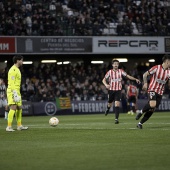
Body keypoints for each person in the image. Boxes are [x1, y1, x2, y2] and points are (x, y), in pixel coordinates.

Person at [136, 54, 170, 129]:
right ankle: (141, 111)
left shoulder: (169, 72)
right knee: (152, 104)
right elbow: (145, 74)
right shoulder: (156, 68)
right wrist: (145, 83)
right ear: (167, 62)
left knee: (152, 109)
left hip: (160, 92)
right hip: (152, 89)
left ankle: (140, 123)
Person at [102, 59, 141, 124]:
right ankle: (108, 109)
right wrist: (106, 85)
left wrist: (135, 79)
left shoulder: (121, 71)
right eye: (114, 64)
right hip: (111, 90)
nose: (116, 65)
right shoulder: (109, 72)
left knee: (117, 104)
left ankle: (116, 119)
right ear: (112, 65)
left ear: (118, 65)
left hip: (118, 90)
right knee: (110, 104)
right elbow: (103, 80)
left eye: (117, 64)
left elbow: (128, 76)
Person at [6, 55, 28, 132]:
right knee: (13, 107)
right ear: (17, 60)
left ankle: (19, 126)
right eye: (21, 60)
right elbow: (11, 83)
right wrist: (14, 93)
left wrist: (17, 92)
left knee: (19, 108)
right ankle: (9, 127)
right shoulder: (13, 70)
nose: (22, 62)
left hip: (17, 91)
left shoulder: (17, 69)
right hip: (12, 91)